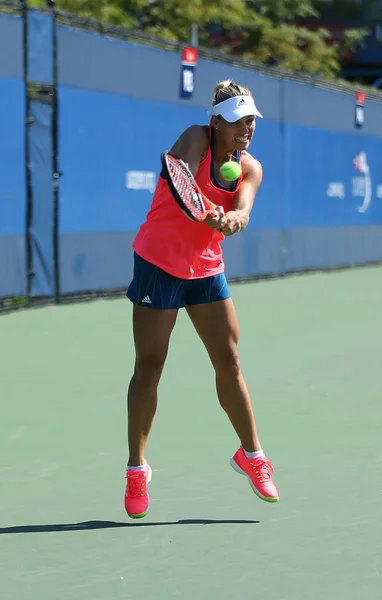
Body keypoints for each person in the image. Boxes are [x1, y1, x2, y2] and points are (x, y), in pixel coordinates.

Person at [124, 79, 279, 519]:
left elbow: (244, 206)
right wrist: (200, 206)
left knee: (229, 358)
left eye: (250, 121)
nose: (245, 129)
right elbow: (184, 178)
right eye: (236, 121)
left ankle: (251, 456)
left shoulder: (251, 167)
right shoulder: (195, 138)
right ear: (216, 122)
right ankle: (137, 467)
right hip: (158, 262)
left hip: (206, 268)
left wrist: (234, 218)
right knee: (150, 366)